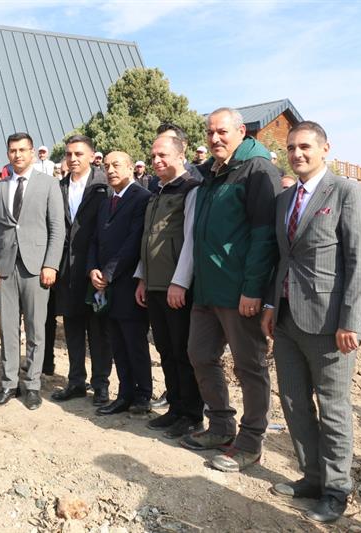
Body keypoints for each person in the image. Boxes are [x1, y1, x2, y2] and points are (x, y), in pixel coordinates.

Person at [261, 121, 361, 523]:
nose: (297, 154)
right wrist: (271, 306)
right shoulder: (284, 200)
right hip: (287, 318)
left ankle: (336, 490)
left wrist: (351, 321)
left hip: (331, 324)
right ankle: (312, 477)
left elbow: (360, 261)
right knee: (293, 402)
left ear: (325, 149)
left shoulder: (347, 192)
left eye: (305, 146)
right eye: (291, 147)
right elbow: (282, 259)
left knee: (333, 407)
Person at [181, 107, 280, 473]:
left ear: (241, 132)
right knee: (199, 354)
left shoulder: (257, 170)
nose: (214, 138)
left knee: (249, 366)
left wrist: (253, 289)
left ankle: (250, 442)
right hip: (207, 289)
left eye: (221, 131)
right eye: (210, 132)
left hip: (239, 291)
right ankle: (221, 426)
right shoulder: (211, 171)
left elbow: (263, 235)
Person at [0, 132, 64, 410]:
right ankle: (9, 383)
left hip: (36, 268)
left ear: (31, 152)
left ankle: (32, 384)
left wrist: (51, 263)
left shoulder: (49, 185)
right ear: (8, 154)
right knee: (7, 328)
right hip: (5, 268)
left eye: (22, 150)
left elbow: (57, 228)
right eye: (12, 150)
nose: (17, 155)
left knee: (35, 328)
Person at [135, 136, 203, 439]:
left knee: (182, 352)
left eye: (162, 155)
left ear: (180, 155)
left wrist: (180, 281)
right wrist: (142, 278)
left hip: (176, 288)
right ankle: (175, 408)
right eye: (153, 156)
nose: (156, 161)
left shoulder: (191, 189)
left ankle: (192, 414)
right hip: (155, 284)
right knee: (165, 349)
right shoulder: (157, 191)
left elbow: (190, 240)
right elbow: (149, 239)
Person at [88, 151, 152, 415]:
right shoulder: (107, 201)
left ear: (130, 167)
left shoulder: (142, 198)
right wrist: (93, 269)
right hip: (106, 285)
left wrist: (108, 273)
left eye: (116, 165)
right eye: (106, 166)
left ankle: (143, 394)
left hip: (129, 283)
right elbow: (95, 239)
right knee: (117, 342)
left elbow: (134, 242)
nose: (110, 170)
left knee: (134, 342)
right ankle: (125, 393)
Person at [51, 135, 111, 406]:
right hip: (67, 269)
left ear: (91, 156)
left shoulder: (103, 187)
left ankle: (101, 384)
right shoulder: (59, 187)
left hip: (94, 268)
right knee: (73, 326)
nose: (73, 159)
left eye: (78, 154)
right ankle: (76, 381)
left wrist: (101, 267)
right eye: (69, 154)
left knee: (98, 330)